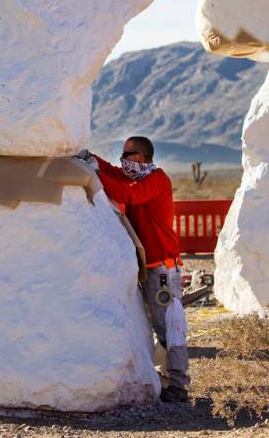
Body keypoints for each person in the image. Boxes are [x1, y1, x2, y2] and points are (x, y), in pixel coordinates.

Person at [84, 137, 190, 403]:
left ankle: (178, 385)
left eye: (128, 154)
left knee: (169, 325)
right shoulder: (140, 177)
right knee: (155, 324)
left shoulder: (156, 180)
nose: (123, 159)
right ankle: (164, 379)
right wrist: (89, 157)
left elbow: (127, 194)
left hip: (162, 269)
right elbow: (113, 172)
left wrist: (95, 172)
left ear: (143, 156)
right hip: (149, 268)